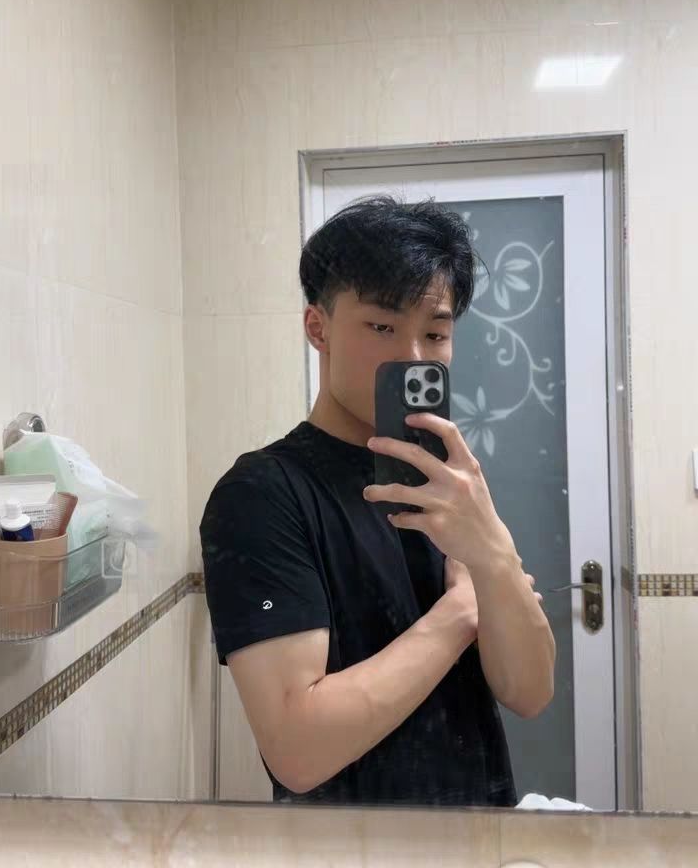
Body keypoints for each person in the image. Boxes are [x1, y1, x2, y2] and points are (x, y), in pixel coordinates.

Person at [200, 195, 556, 807]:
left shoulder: (451, 486)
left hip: (481, 831)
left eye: (435, 333)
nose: (412, 358)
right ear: (318, 328)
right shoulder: (261, 495)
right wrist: (459, 614)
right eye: (382, 327)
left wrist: (493, 553)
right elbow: (297, 750)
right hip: (350, 846)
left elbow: (530, 691)